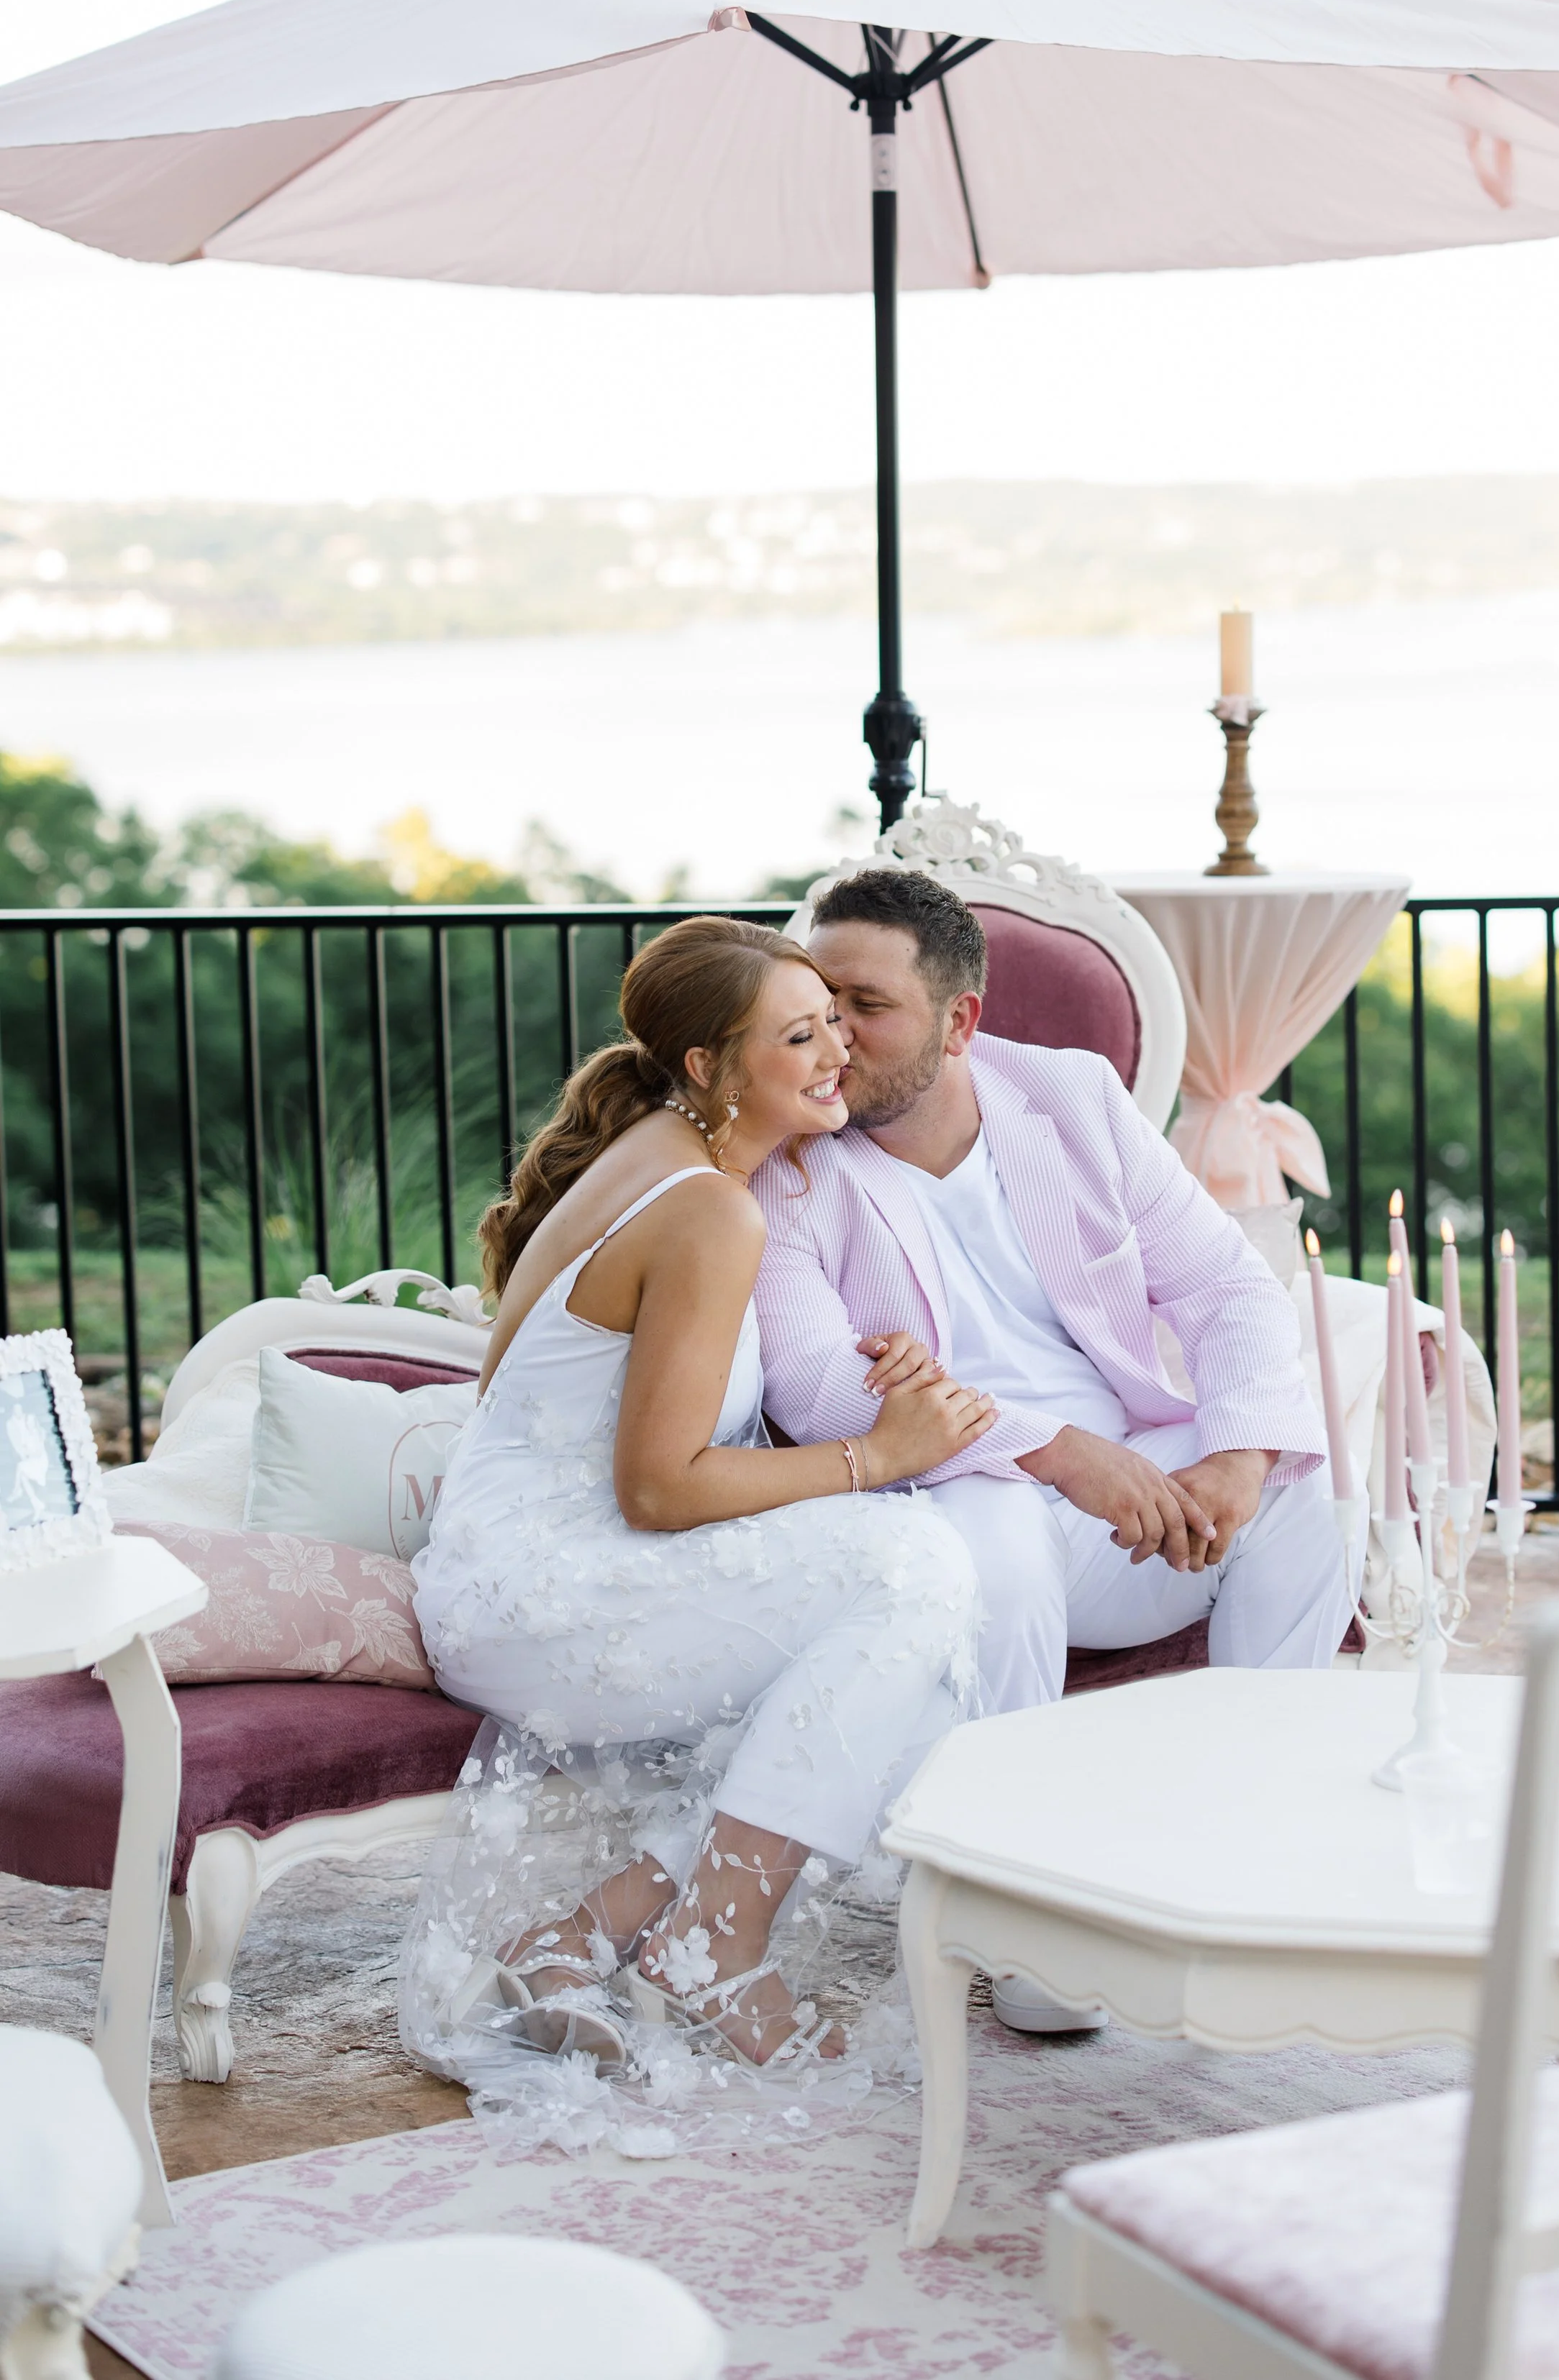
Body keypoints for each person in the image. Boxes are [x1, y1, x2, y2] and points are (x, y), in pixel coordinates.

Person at [400, 916, 991, 2147]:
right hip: (542, 1591)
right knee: (919, 1568)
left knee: (913, 1644)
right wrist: (878, 1460)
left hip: (527, 1562)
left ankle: (593, 1930)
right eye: (798, 1033)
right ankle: (717, 1944)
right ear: (711, 1067)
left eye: (833, 1018)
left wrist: (879, 1408)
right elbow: (658, 1490)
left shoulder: (668, 1152)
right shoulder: (712, 1210)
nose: (835, 1051)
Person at [752, 870, 1362, 2023]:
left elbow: (1230, 1288)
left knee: (1302, 1488)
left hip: (1133, 1494)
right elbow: (826, 1392)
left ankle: (1245, 1854)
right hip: (956, 1499)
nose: (829, 1038)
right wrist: (1059, 1451)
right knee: (995, 1540)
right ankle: (1026, 1911)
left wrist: (1233, 1457)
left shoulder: (1071, 1098)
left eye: (862, 1006)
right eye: (814, 1003)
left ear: (961, 1021)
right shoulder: (790, 1157)